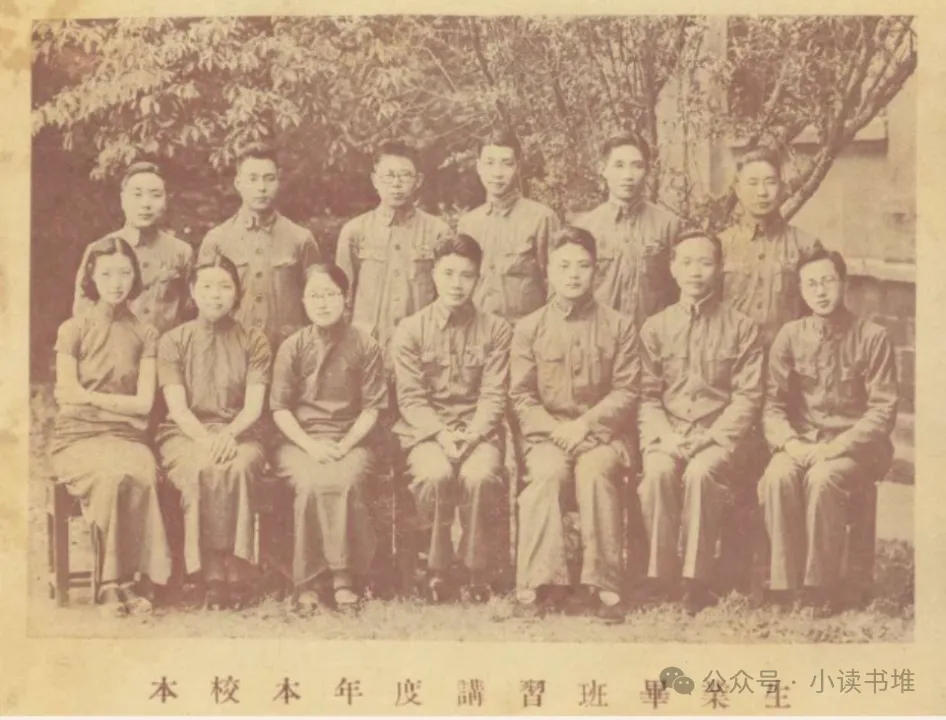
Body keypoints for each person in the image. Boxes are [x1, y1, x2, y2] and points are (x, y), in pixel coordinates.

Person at [758, 248, 898, 615]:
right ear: (801, 291)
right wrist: (790, 443)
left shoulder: (873, 337)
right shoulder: (790, 336)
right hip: (803, 441)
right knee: (777, 476)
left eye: (827, 281)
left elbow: (882, 410)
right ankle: (783, 585)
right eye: (811, 284)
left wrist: (836, 447)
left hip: (855, 448)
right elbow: (772, 405)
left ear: (844, 284)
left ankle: (818, 588)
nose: (820, 292)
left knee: (823, 479)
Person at [510, 225, 639, 622]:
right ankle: (541, 583)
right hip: (548, 436)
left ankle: (604, 585)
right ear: (548, 270)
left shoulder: (619, 325)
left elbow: (627, 390)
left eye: (583, 266)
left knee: (595, 473)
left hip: (601, 436)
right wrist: (557, 431)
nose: (573, 274)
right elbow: (521, 396)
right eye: (564, 266)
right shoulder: (529, 328)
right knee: (546, 475)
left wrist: (585, 426)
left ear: (595, 271)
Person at [637, 230, 764, 615]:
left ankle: (696, 580)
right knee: (658, 472)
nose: (696, 272)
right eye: (687, 263)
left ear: (719, 268)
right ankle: (662, 576)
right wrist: (665, 436)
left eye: (705, 263)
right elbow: (646, 396)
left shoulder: (742, 327)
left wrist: (713, 436)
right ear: (673, 268)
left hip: (717, 433)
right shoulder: (655, 327)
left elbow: (748, 395)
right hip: (669, 430)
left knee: (700, 474)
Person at [51, 235, 172, 616]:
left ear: (135, 276)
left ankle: (134, 580)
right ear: (91, 276)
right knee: (111, 475)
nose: (116, 283)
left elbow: (144, 405)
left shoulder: (146, 333)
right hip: (77, 439)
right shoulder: (72, 329)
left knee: (142, 473)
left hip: (128, 437)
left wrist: (90, 400)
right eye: (106, 274)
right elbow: (67, 396)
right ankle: (108, 583)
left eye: (124, 273)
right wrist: (121, 409)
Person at [391, 234, 512, 603]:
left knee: (479, 476)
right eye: (448, 274)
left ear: (478, 279)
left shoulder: (497, 329)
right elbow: (411, 398)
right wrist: (442, 435)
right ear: (433, 275)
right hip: (427, 432)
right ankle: (435, 570)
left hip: (479, 430)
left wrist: (472, 435)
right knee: (434, 475)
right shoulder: (411, 329)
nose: (456, 284)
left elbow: (494, 394)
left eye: (466, 275)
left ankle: (477, 571)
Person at [156, 253, 271, 610]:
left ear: (237, 292)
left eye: (224, 286)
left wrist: (229, 435)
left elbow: (253, 406)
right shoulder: (173, 341)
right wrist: (207, 440)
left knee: (237, 466)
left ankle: (236, 568)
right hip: (185, 433)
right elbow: (178, 407)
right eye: (206, 286)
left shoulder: (254, 340)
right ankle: (207, 572)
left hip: (241, 431)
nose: (215, 294)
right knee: (202, 468)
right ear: (192, 291)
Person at [270, 264, 388, 613]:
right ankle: (308, 580)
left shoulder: (365, 344)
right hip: (300, 441)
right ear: (303, 301)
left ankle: (343, 577)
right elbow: (279, 408)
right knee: (309, 483)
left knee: (343, 481)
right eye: (314, 296)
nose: (322, 303)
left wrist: (345, 444)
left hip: (351, 440)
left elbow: (372, 408)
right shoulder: (292, 346)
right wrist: (310, 445)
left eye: (330, 294)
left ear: (345, 297)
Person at [336, 139, 451, 368]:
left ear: (418, 181)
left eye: (405, 176)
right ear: (374, 180)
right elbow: (341, 300)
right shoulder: (355, 232)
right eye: (389, 176)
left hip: (421, 351)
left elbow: (447, 299)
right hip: (368, 351)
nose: (397, 184)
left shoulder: (438, 232)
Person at [198, 142, 322, 351]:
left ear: (278, 181)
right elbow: (204, 309)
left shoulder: (300, 239)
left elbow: (317, 302)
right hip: (234, 351)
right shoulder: (217, 240)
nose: (262, 187)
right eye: (253, 179)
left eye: (269, 178)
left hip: (287, 352)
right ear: (238, 183)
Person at [572, 131, 682, 327]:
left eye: (637, 166)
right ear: (603, 169)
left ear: (647, 170)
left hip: (651, 336)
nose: (628, 176)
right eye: (619, 165)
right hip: (599, 334)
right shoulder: (585, 228)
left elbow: (679, 292)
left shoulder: (668, 225)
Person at [72, 161, 194, 335]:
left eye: (155, 195)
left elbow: (189, 313)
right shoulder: (99, 249)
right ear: (123, 199)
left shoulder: (181, 252)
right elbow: (83, 312)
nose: (146, 203)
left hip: (166, 348)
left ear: (166, 200)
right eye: (137, 194)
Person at [718, 148, 823, 348]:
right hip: (734, 359)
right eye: (752, 183)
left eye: (770, 182)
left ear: (782, 188)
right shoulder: (720, 246)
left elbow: (820, 315)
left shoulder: (806, 246)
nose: (762, 192)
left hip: (788, 358)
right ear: (738, 189)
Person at [456, 128, 561, 322]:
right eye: (490, 163)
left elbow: (557, 287)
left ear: (517, 168)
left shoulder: (542, 219)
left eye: (506, 164)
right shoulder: (468, 224)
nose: (497, 173)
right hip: (478, 332)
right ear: (479, 167)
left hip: (525, 332)